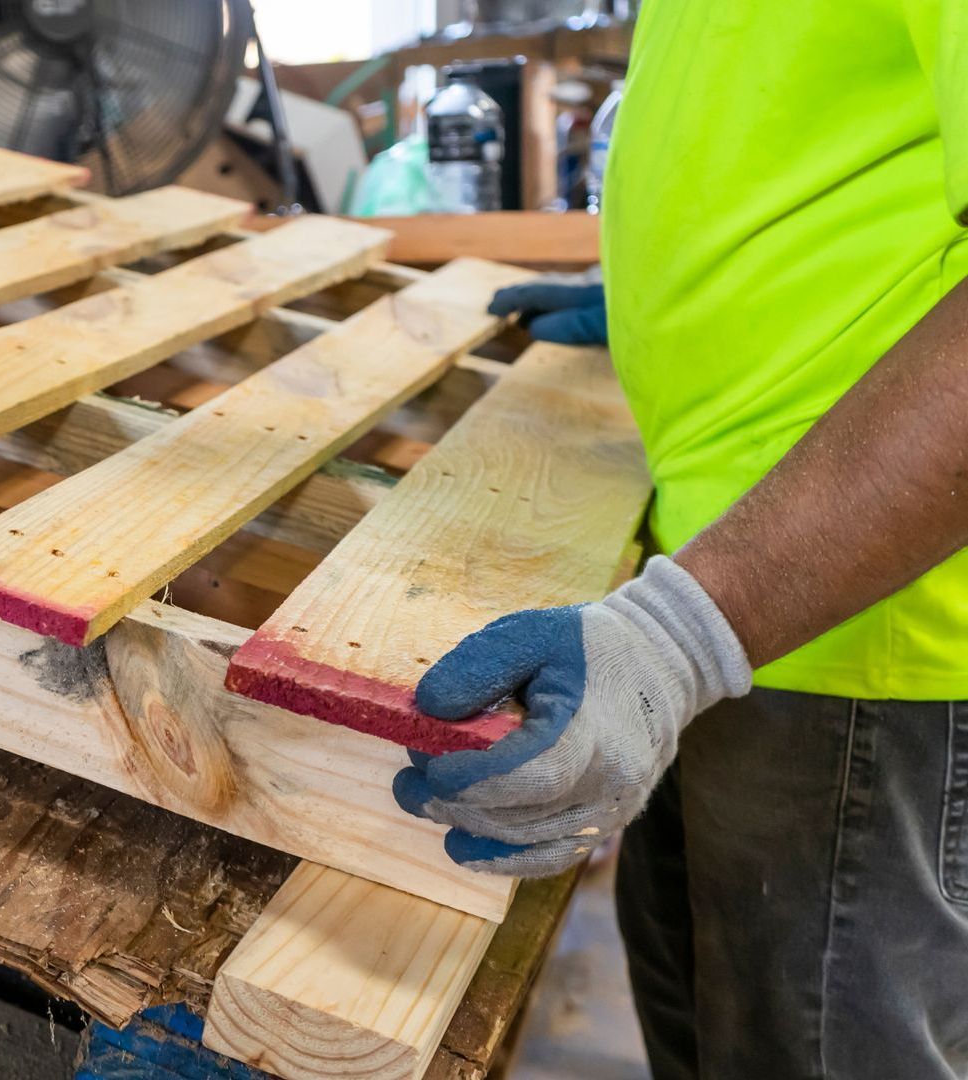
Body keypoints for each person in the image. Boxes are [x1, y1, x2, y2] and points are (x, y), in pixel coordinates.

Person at [388, 3, 968, 1077]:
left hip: (859, 645)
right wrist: (657, 294)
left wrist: (684, 632)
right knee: (703, 1038)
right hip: (713, 592)